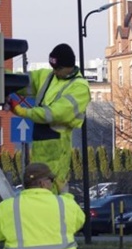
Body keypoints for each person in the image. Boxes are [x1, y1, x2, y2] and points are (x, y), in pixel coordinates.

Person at [5, 43, 91, 193]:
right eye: (53, 67)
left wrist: (24, 112)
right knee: (37, 196)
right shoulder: (48, 76)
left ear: (69, 66)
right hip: (40, 149)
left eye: (58, 68)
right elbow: (20, 81)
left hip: (57, 154)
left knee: (50, 196)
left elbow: (56, 113)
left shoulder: (80, 87)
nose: (55, 71)